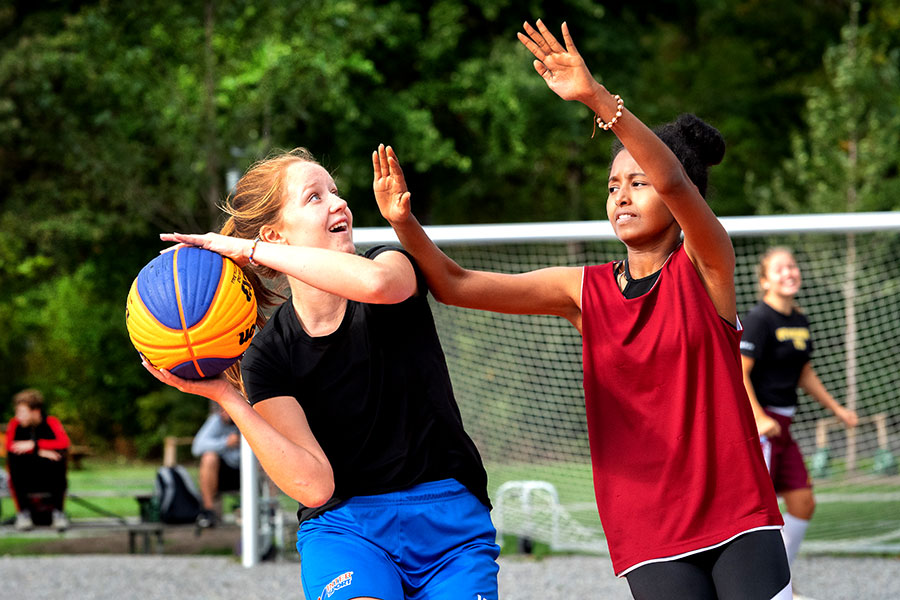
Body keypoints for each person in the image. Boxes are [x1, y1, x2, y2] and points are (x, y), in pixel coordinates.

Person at [373, 19, 791, 600]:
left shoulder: (706, 264)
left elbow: (673, 179)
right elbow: (453, 283)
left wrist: (598, 99)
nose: (621, 194)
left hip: (738, 513)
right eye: (613, 183)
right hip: (648, 525)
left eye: (637, 183)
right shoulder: (583, 290)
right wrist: (403, 224)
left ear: (678, 199)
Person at [141, 147, 499, 600]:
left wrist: (251, 250)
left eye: (335, 191)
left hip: (447, 520)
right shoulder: (267, 356)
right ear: (276, 235)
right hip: (347, 529)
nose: (339, 202)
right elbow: (314, 485)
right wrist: (230, 399)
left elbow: (376, 286)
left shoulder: (391, 264)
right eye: (315, 197)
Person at [740, 246, 858, 569]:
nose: (789, 273)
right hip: (759, 429)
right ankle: (753, 581)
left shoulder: (801, 319)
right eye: (779, 269)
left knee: (803, 503)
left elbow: (803, 371)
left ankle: (783, 579)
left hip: (785, 427)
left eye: (792, 266)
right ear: (765, 281)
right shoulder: (758, 319)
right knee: (758, 514)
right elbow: (739, 372)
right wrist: (759, 417)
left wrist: (838, 410)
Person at [4, 389, 70, 531]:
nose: (18, 416)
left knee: (59, 459)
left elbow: (64, 443)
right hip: (24, 477)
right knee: (14, 460)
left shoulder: (51, 422)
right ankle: (23, 514)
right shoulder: (15, 424)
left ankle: (58, 513)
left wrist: (34, 445)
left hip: (48, 477)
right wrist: (39, 451)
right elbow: (10, 447)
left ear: (35, 411)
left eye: (22, 412)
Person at [191, 406, 241, 528]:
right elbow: (197, 447)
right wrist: (226, 443)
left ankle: (270, 508)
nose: (226, 413)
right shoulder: (215, 422)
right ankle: (208, 511)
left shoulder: (248, 420)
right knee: (209, 458)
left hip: (248, 471)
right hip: (223, 473)